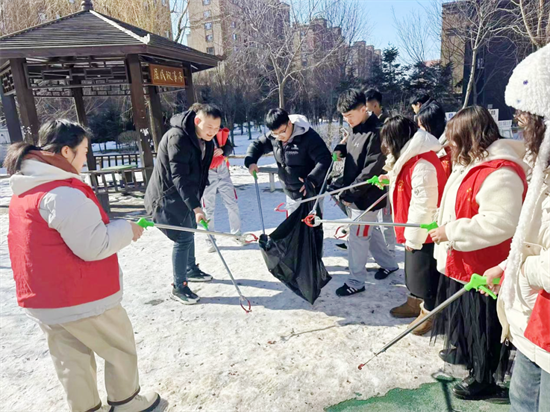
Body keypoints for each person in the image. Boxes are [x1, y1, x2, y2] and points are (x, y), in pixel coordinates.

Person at [5, 120, 160, 412]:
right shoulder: (63, 194)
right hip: (80, 296)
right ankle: (127, 402)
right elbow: (94, 245)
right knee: (118, 347)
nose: (86, 157)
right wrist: (127, 229)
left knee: (69, 358)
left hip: (42, 298)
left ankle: (85, 407)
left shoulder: (26, 189)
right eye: (84, 150)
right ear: (66, 151)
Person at [428, 106, 528, 401]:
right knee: (468, 320)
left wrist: (453, 231)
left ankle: (484, 377)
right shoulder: (471, 164)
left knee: (484, 324)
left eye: (456, 140)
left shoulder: (501, 171)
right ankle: (470, 360)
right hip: (465, 260)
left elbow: (500, 222)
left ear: (473, 137)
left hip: (485, 266)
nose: (451, 147)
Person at [482, 44, 550, 412]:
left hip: (543, 314)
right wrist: (511, 265)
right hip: (534, 322)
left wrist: (521, 269)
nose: (520, 130)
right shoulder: (542, 167)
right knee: (523, 399)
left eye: (526, 121)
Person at [145, 104, 222, 304]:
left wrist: (196, 202)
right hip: (167, 196)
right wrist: (196, 207)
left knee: (190, 229)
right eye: (209, 128)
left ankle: (191, 269)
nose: (212, 132)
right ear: (197, 121)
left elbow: (201, 171)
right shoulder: (177, 137)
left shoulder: (207, 140)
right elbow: (179, 176)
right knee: (183, 237)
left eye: (216, 129)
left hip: (185, 195)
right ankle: (179, 286)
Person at [379, 116, 447, 335]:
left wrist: (414, 237)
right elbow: (405, 178)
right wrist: (389, 178)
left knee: (424, 275)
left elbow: (424, 205)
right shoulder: (411, 157)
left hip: (424, 231)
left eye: (389, 140)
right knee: (413, 273)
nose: (387, 146)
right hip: (412, 227)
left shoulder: (423, 163)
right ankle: (414, 302)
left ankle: (429, 313)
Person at [333, 89, 399, 297]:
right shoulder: (355, 127)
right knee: (370, 234)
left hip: (368, 195)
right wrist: (342, 150)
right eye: (344, 117)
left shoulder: (377, 132)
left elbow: (371, 168)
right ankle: (389, 264)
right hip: (355, 191)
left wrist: (349, 192)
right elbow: (355, 154)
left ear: (364, 109)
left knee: (358, 237)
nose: (348, 121)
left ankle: (356, 280)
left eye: (350, 116)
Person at [244, 108, 332, 215]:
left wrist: (312, 180)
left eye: (282, 132)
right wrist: (251, 161)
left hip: (310, 192)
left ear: (289, 123)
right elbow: (257, 145)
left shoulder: (309, 137)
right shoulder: (274, 136)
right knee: (293, 228)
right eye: (275, 134)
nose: (280, 137)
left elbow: (325, 160)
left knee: (311, 228)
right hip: (290, 193)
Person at [200, 126, 244, 253]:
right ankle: (210, 240)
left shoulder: (218, 130)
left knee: (232, 204)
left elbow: (229, 147)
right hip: (207, 172)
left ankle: (236, 234)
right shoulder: (197, 134)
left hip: (223, 170)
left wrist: (223, 150)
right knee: (208, 208)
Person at [416, 100, 452, 177]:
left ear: (431, 126)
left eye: (421, 126)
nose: (420, 130)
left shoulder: (451, 150)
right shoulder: (425, 146)